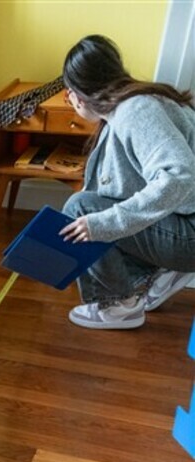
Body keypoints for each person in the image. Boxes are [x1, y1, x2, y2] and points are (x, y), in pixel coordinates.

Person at [58, 34, 195, 330]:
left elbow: (179, 175)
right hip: (186, 221)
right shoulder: (128, 107)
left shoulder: (137, 111)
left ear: (77, 94)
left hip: (190, 230)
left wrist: (100, 223)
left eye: (67, 93)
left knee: (81, 210)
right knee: (92, 209)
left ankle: (121, 304)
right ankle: (152, 278)